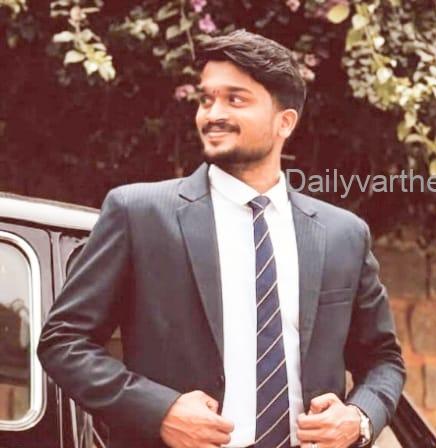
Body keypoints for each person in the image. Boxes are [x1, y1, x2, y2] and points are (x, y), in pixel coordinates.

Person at [37, 29, 405, 448]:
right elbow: (64, 341)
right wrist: (160, 411)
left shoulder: (344, 235)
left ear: (285, 122)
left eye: (235, 99)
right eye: (206, 99)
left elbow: (384, 360)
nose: (213, 113)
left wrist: (358, 418)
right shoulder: (138, 213)